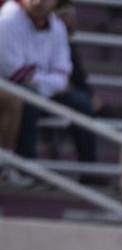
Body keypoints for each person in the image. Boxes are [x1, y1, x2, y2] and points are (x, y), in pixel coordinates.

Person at [0, 0, 95, 162]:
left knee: (82, 103)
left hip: (42, 90)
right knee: (29, 97)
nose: (40, 1)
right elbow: (12, 71)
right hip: (16, 90)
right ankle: (26, 166)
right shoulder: (7, 19)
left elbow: (63, 71)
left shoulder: (58, 27)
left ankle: (90, 170)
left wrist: (39, 80)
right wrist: (51, 81)